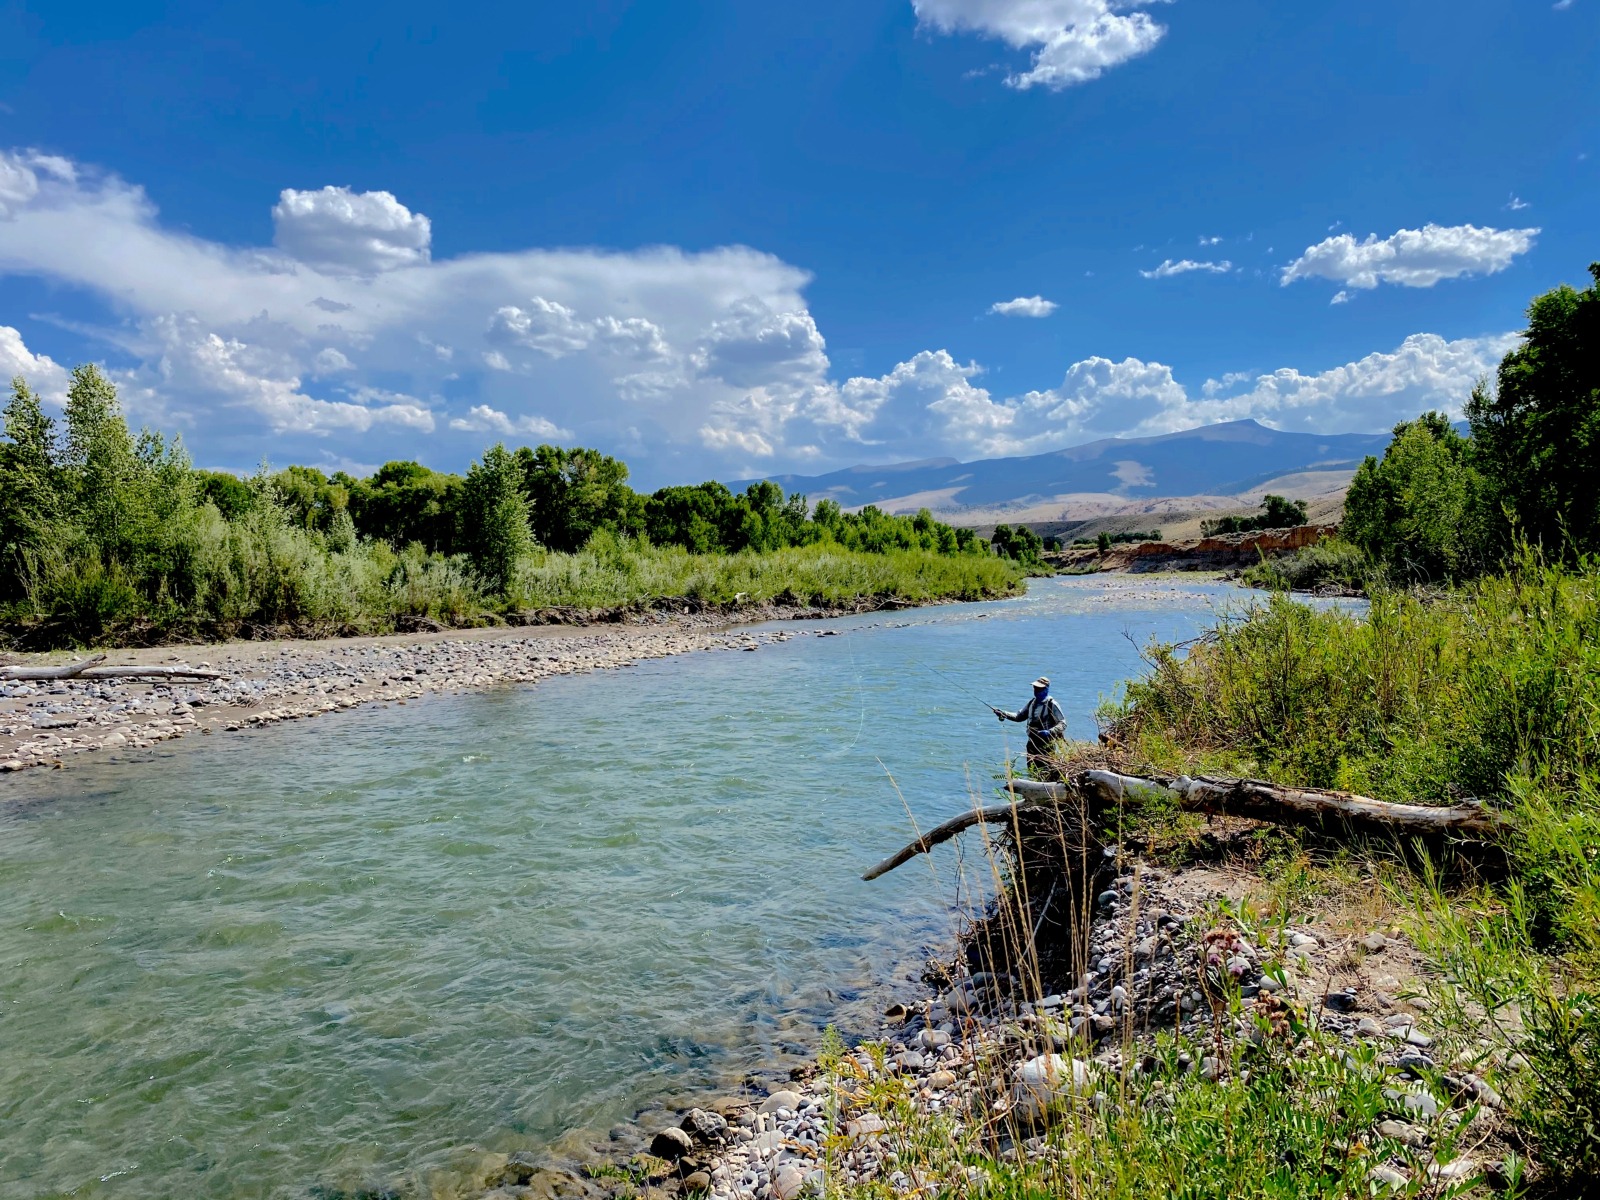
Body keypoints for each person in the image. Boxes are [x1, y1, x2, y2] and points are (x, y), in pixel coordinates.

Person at [996, 676, 1066, 769]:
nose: (1036, 690)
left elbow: (1063, 723)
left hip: (1047, 744)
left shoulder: (1052, 704)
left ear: (1046, 689)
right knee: (1032, 769)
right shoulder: (1032, 703)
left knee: (1046, 769)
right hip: (1032, 743)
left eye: (1039, 688)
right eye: (1035, 688)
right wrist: (1004, 713)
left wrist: (1050, 732)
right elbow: (1019, 716)